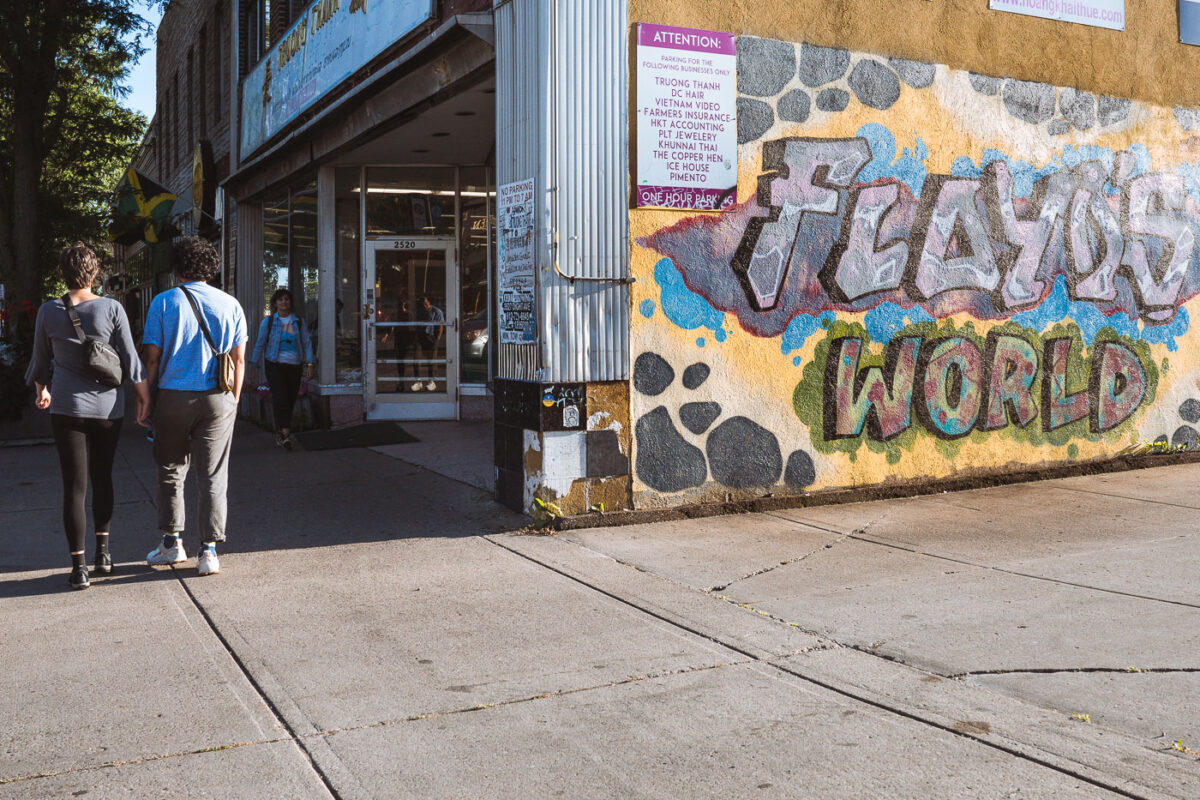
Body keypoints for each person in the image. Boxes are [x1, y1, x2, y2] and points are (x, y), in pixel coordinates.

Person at [25, 243, 150, 590]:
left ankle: (78, 568)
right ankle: (104, 555)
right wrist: (143, 400)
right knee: (103, 477)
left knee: (74, 487)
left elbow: (39, 362)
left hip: (66, 409)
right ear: (94, 273)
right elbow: (130, 359)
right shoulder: (112, 308)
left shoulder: (48, 311)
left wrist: (42, 392)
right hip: (107, 409)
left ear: (63, 274)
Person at [139, 236, 247, 576]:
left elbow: (152, 358)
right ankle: (209, 551)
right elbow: (239, 359)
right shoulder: (231, 304)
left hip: (172, 396)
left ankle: (171, 545)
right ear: (210, 268)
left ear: (176, 267)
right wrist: (233, 400)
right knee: (213, 474)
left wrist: (145, 399)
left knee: (171, 470)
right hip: (218, 396)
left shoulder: (163, 302)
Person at [249, 288, 313, 449]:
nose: (284, 302)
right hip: (274, 365)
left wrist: (310, 364)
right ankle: (285, 433)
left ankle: (281, 429)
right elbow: (260, 344)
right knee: (281, 396)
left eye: (286, 299)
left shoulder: (298, 321)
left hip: (295, 365)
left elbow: (307, 343)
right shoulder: (269, 322)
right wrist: (253, 365)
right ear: (275, 303)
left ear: (290, 302)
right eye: (280, 300)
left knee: (291, 398)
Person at [413, 294, 444, 392]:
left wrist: (437, 339)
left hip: (431, 337)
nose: (424, 304)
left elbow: (441, 326)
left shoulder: (437, 311)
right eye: (422, 302)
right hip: (420, 336)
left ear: (429, 302)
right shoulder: (420, 311)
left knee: (431, 360)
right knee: (416, 358)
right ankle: (418, 381)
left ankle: (431, 381)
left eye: (425, 302)